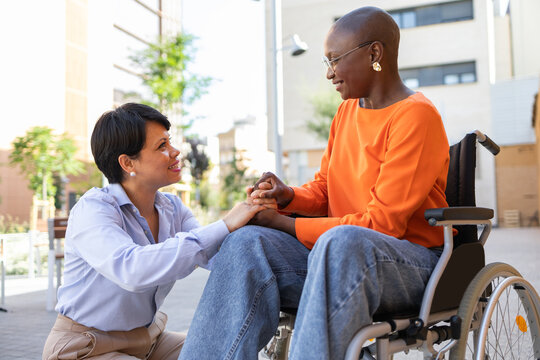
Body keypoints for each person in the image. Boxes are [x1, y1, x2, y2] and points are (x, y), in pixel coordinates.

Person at [178, 6, 450, 360]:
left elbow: (382, 225)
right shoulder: (348, 111)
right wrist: (287, 195)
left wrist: (285, 224)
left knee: (342, 242)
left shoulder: (415, 116)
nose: (330, 74)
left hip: (409, 265)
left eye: (335, 60)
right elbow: (326, 189)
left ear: (374, 54)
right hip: (338, 257)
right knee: (247, 242)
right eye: (327, 62)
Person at [42, 103, 266, 360]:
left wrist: (255, 218)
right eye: (162, 146)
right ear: (127, 163)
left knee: (223, 352)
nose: (175, 151)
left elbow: (214, 255)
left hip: (149, 340)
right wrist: (226, 223)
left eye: (170, 142)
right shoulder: (94, 210)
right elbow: (133, 270)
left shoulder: (172, 208)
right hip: (85, 346)